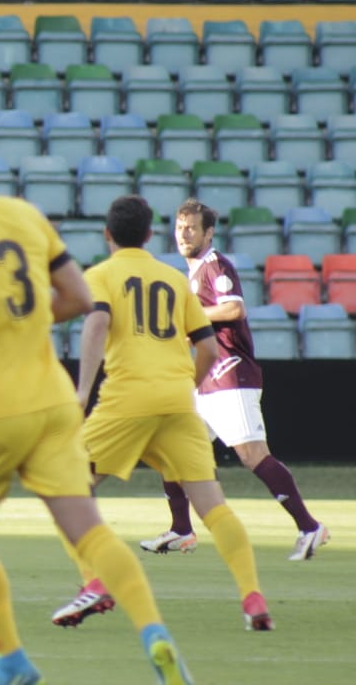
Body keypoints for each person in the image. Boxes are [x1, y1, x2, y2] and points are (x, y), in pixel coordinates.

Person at [0, 108, 193, 685]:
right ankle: (154, 632)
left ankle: (11, 660)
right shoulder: (24, 214)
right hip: (53, 402)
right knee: (89, 529)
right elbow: (79, 294)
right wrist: (29, 320)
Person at [50, 195, 273, 634]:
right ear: (151, 235)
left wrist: (81, 390)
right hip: (178, 401)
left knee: (65, 488)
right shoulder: (174, 279)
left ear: (107, 234)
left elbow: (96, 325)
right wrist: (183, 386)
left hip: (126, 400)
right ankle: (253, 597)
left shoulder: (100, 275)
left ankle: (94, 582)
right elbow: (207, 347)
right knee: (213, 505)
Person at [136, 198, 328, 561]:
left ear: (209, 232)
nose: (184, 234)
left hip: (230, 374)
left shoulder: (214, 265)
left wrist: (187, 316)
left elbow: (234, 308)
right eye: (180, 227)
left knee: (253, 455)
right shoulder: (192, 273)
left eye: (192, 227)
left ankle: (310, 527)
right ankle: (181, 530)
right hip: (208, 380)